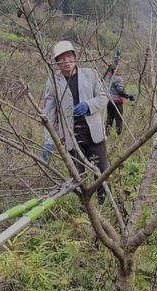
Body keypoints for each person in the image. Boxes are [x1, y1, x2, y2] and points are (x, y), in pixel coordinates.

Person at [41, 40, 108, 203]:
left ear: (75, 57)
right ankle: (85, 206)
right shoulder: (53, 83)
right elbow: (49, 116)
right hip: (72, 136)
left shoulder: (90, 74)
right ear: (56, 62)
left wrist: (88, 105)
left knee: (102, 171)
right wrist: (49, 141)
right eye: (61, 59)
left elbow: (103, 97)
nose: (66, 62)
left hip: (94, 133)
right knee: (78, 176)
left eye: (69, 57)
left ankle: (104, 202)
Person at [106, 68, 136, 136]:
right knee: (118, 120)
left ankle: (106, 134)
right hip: (117, 103)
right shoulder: (118, 78)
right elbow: (120, 91)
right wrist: (128, 96)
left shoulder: (110, 77)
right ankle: (118, 135)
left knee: (109, 119)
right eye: (120, 70)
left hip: (110, 102)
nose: (121, 72)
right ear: (117, 70)